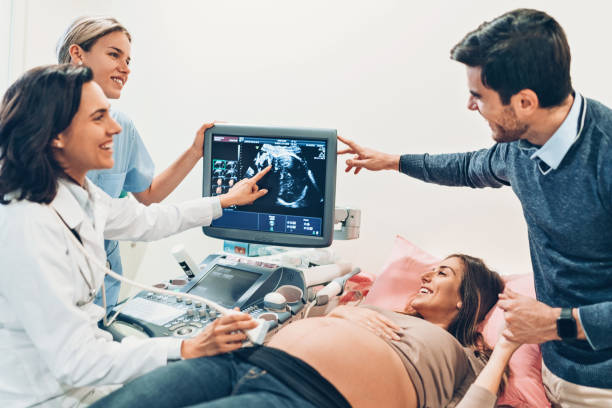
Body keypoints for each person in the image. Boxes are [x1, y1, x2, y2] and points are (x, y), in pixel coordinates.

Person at [337, 8, 612, 407]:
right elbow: (467, 167)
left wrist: (556, 322)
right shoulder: (521, 149)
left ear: (525, 102)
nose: (470, 105)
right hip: (555, 363)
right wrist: (393, 161)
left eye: (479, 96)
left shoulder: (605, 159)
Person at [0, 64, 271, 407]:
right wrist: (187, 346)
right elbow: (76, 362)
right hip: (49, 398)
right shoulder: (26, 226)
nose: (114, 129)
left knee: (234, 375)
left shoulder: (75, 194)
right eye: (99, 118)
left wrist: (225, 201)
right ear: (56, 134)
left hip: (84, 386)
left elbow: (147, 220)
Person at [91, 253, 519, 408]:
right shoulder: (374, 310)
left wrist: (507, 346)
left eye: (442, 272)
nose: (427, 274)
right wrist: (344, 314)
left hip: (307, 397)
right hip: (243, 362)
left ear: (467, 300)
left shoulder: (467, 358)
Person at [56, 16, 214, 310]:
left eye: (128, 60)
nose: (125, 68)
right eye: (114, 55)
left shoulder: (121, 127)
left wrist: (195, 152)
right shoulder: (36, 119)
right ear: (78, 54)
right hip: (52, 279)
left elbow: (146, 200)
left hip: (102, 282)